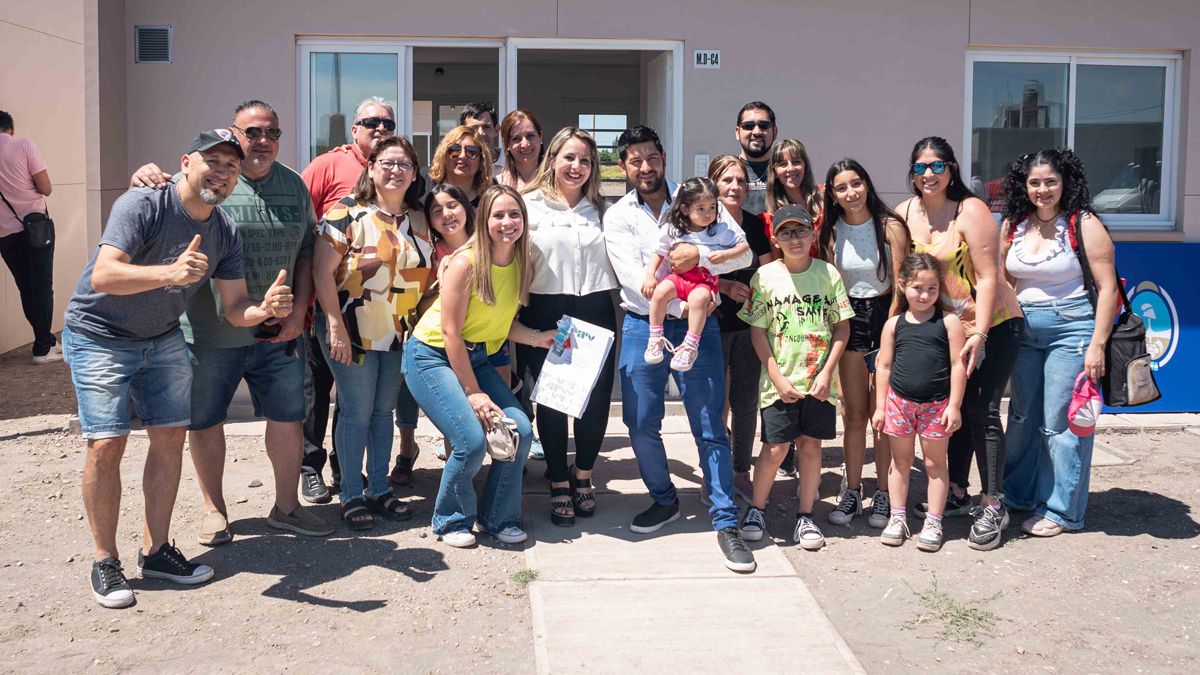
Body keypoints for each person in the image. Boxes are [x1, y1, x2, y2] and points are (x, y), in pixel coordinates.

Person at [64, 130, 292, 608]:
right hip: (99, 335)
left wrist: (265, 310)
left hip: (162, 336)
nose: (222, 172)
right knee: (107, 442)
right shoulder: (143, 204)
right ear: (186, 163)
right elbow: (104, 275)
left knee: (169, 438)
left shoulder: (224, 230)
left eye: (231, 166)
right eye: (213, 161)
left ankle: (156, 553)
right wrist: (169, 273)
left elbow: (235, 309)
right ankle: (105, 560)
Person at [128, 100, 332, 545]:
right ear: (234, 135)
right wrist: (144, 175)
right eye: (252, 132)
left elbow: (305, 253)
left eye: (272, 133)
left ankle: (287, 507)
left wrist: (299, 312)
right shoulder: (211, 179)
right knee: (205, 421)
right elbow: (164, 197)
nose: (263, 141)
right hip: (209, 332)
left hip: (278, 332)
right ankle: (214, 510)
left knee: (288, 418)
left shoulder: (294, 185)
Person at [603, 125, 757, 573]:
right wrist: (693, 295)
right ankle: (664, 499)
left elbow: (743, 254)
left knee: (709, 425)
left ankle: (725, 519)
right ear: (624, 166)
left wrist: (702, 260)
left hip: (698, 326)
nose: (645, 167)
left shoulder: (699, 196)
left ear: (664, 157)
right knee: (639, 421)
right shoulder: (618, 216)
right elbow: (634, 278)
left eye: (652, 157)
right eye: (635, 160)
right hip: (645, 323)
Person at [404, 185, 553, 547]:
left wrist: (539, 338)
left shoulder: (521, 263)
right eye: (498, 215)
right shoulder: (465, 263)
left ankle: (498, 518)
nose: (507, 222)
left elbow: (500, 325)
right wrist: (474, 393)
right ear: (483, 220)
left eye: (514, 214)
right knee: (470, 441)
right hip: (431, 356)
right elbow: (450, 334)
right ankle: (450, 520)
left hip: (476, 355)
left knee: (520, 430)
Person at [899, 136, 1024, 551]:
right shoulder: (905, 213)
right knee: (952, 408)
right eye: (921, 167)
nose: (929, 173)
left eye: (937, 165)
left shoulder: (970, 210)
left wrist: (981, 334)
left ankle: (993, 503)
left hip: (995, 323)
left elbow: (988, 277)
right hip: (948, 329)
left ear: (951, 169)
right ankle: (956, 491)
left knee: (982, 410)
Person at [312, 136, 432, 531]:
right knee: (356, 409)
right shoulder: (345, 212)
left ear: (414, 174)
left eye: (405, 164)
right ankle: (351, 494)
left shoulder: (420, 219)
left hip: (399, 332)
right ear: (371, 168)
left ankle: (379, 488)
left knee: (384, 411)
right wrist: (333, 324)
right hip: (351, 330)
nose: (396, 170)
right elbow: (321, 272)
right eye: (388, 162)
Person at [1000, 148, 1119, 537]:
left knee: (1061, 422)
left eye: (1050, 181)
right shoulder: (1014, 224)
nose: (1043, 189)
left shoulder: (1084, 223)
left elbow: (1107, 289)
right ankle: (1017, 495)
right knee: (1022, 418)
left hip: (1071, 330)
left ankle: (1061, 510)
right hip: (1023, 329)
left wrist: (1097, 345)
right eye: (1034, 182)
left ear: (1065, 182)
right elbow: (1003, 280)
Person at [299, 96, 401, 501]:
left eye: (388, 123)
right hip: (329, 309)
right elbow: (302, 226)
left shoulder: (401, 187)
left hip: (382, 320)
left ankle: (349, 474)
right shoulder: (327, 166)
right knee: (317, 392)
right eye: (372, 122)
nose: (380, 128)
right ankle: (311, 467)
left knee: (359, 403)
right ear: (355, 129)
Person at [518, 127, 617, 525]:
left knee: (595, 398)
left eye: (586, 160)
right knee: (554, 399)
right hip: (546, 308)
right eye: (569, 158)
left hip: (595, 308)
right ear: (553, 159)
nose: (577, 166)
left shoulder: (604, 210)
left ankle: (584, 475)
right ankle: (558, 480)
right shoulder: (528, 205)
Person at [737, 205, 852, 551]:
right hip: (780, 381)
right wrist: (776, 377)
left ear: (812, 233)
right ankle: (757, 509)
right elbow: (758, 331)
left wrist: (827, 372)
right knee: (775, 448)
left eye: (801, 230)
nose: (794, 238)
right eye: (785, 232)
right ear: (775, 239)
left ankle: (806, 516)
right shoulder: (764, 277)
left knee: (810, 446)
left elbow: (841, 328)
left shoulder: (828, 274)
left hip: (819, 382)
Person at [817, 159, 910, 529]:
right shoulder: (830, 230)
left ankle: (884, 492)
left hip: (887, 313)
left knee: (882, 414)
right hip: (849, 316)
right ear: (832, 195)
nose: (850, 192)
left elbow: (902, 283)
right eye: (841, 187)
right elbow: (831, 281)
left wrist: (892, 329)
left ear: (867, 184)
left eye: (856, 183)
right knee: (854, 414)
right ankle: (853, 490)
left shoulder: (889, 226)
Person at [872, 253, 965, 552]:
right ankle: (897, 517)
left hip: (937, 406)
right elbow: (884, 366)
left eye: (932, 289)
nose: (924, 295)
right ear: (902, 285)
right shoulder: (893, 325)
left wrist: (954, 405)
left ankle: (934, 521)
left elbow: (958, 365)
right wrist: (880, 406)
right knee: (900, 462)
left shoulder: (949, 322)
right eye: (917, 288)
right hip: (899, 403)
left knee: (934, 464)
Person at [708, 155, 773, 503]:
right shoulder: (702, 223)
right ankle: (715, 475)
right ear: (713, 184)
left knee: (746, 402)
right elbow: (687, 272)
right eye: (727, 180)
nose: (735, 187)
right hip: (711, 324)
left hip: (749, 326)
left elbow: (769, 271)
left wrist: (760, 302)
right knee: (716, 403)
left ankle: (740, 471)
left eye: (741, 181)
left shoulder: (754, 224)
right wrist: (724, 287)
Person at [642, 176, 749, 371]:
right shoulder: (674, 229)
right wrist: (650, 275)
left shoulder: (719, 231)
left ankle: (690, 345)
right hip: (679, 278)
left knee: (698, 300)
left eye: (712, 207)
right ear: (685, 209)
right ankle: (655, 337)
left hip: (703, 281)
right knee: (660, 292)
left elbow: (744, 247)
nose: (708, 214)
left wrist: (726, 254)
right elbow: (659, 252)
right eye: (701, 208)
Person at [763, 137, 823, 479]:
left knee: (821, 382)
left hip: (825, 297)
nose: (790, 169)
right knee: (790, 375)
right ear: (774, 169)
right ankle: (786, 450)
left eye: (796, 161)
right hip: (790, 305)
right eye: (783, 163)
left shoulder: (823, 201)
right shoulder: (770, 212)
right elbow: (775, 265)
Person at [0, 110, 58, 363]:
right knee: (42, 286)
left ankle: (45, 340)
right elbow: (46, 188)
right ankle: (43, 348)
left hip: (5, 233)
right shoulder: (23, 145)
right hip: (35, 227)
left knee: (26, 287)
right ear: (10, 129)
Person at [429, 125, 493, 206]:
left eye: (471, 151)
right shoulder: (426, 189)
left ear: (481, 160)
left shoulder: (490, 200)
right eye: (455, 150)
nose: (462, 156)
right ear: (444, 155)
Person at [734, 101, 776, 216]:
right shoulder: (725, 173)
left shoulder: (785, 172)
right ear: (737, 132)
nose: (757, 132)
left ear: (775, 131)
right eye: (748, 126)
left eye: (764, 126)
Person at [496, 109, 544, 190]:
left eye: (530, 136)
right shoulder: (498, 184)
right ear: (506, 144)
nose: (525, 144)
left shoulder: (556, 179)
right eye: (516, 138)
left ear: (541, 136)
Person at [459, 102, 501, 169]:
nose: (481, 133)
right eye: (474, 128)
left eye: (486, 127)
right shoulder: (457, 165)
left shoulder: (512, 162)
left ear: (496, 130)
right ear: (463, 132)